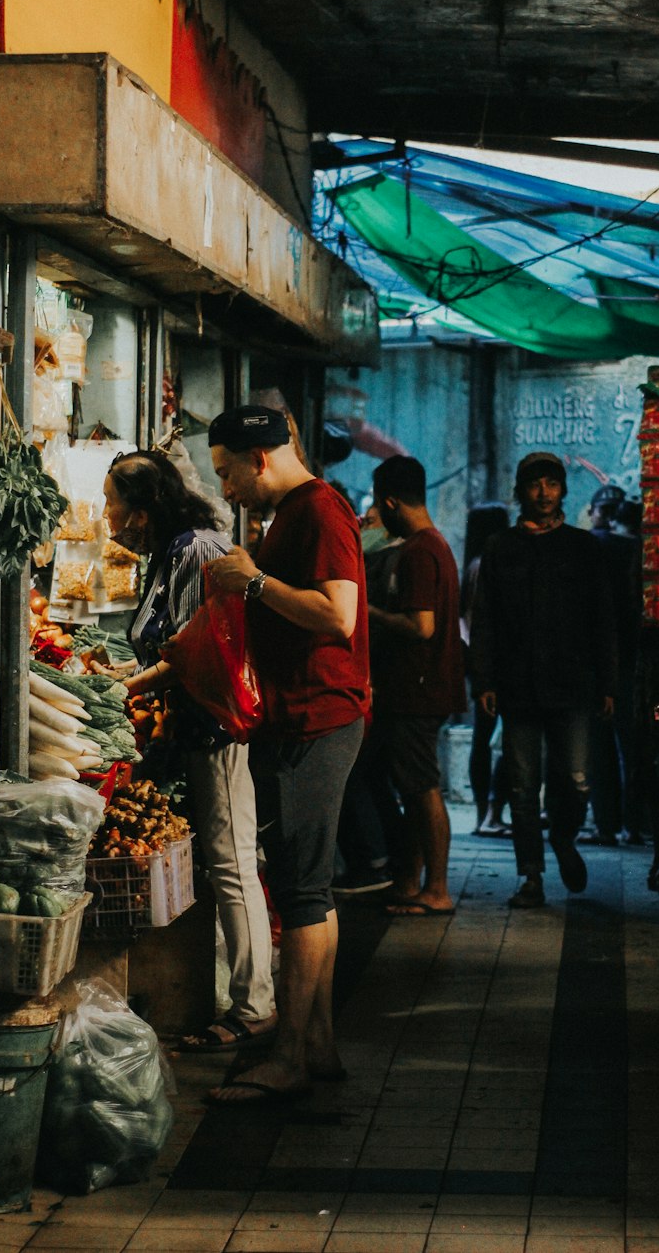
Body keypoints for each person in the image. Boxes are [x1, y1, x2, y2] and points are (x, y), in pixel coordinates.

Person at [205, 405, 370, 1101]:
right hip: (303, 719)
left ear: (259, 457)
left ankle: (290, 1056)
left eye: (227, 473)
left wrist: (253, 583)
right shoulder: (294, 514)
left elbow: (339, 616)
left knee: (302, 893)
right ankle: (319, 1045)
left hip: (316, 720)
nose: (226, 489)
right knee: (312, 890)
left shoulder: (321, 510)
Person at [103, 450, 276, 1052]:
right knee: (225, 864)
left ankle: (256, 1005)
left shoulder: (197, 549)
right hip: (190, 732)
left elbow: (195, 649)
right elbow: (164, 646)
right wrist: (129, 670)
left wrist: (126, 684)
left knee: (233, 864)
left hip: (217, 729)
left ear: (144, 510)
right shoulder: (166, 553)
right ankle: (235, 991)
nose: (107, 516)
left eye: (112, 502)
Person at [470, 452, 616, 909]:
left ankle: (565, 840)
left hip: (573, 686)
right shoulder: (500, 547)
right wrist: (485, 681)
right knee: (521, 784)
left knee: (574, 780)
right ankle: (529, 874)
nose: (543, 492)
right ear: (521, 491)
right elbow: (486, 620)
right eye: (535, 484)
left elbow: (604, 621)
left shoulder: (583, 547)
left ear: (563, 491)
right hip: (517, 687)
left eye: (552, 483)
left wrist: (609, 683)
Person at [367, 455, 465, 918]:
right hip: (421, 688)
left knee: (423, 787)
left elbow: (421, 626)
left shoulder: (420, 552)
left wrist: (366, 612)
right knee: (412, 786)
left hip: (418, 691)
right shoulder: (433, 546)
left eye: (376, 503)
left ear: (389, 501)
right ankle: (410, 882)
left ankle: (438, 888)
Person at [332, 503, 406, 895]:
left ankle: (373, 862)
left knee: (357, 778)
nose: (364, 528)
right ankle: (387, 859)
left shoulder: (384, 560)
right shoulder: (373, 558)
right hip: (372, 685)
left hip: (370, 686)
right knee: (374, 779)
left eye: (371, 522)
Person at [587, 486, 643, 846]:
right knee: (631, 747)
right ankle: (633, 825)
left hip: (598, 660)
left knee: (602, 747)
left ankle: (607, 825)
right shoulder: (637, 550)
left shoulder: (594, 546)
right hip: (632, 658)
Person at [461, 502, 512, 836]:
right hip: (495, 662)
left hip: (478, 661)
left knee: (485, 737)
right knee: (501, 739)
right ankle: (490, 812)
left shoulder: (472, 565)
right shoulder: (488, 566)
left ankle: (486, 812)